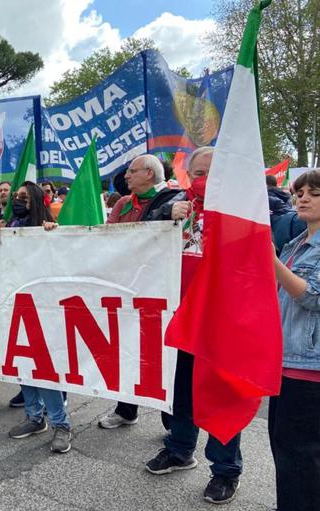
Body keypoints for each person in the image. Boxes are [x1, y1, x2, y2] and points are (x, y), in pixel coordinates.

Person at [144, 147, 243, 505]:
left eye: (209, 173)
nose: (201, 180)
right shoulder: (177, 203)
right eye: (196, 173)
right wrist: (166, 215)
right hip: (179, 319)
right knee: (180, 392)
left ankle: (225, 471)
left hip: (220, 322)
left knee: (219, 397)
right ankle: (179, 449)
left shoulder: (242, 211)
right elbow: (140, 232)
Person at [97, 154, 180, 429]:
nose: (127, 176)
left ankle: (172, 423)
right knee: (127, 350)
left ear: (149, 173)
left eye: (132, 171)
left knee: (164, 355)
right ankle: (125, 409)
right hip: (126, 286)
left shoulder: (173, 200)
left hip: (159, 289)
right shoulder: (122, 203)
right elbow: (109, 239)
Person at [0, 181, 71, 454]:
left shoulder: (47, 227)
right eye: (16, 196)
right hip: (14, 303)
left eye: (24, 196)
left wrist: (53, 236)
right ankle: (34, 417)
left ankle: (61, 423)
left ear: (35, 200)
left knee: (43, 368)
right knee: (22, 364)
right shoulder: (10, 224)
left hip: (42, 307)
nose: (18, 199)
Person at [271, 168, 320, 511]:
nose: (302, 198)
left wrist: (271, 261)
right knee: (287, 452)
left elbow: (312, 296)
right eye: (299, 192)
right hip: (286, 362)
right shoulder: (296, 242)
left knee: (300, 457)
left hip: (309, 368)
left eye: (313, 193)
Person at [267, 174, 306, 254]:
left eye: (315, 194)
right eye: (299, 195)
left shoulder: (268, 200)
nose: (304, 199)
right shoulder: (286, 198)